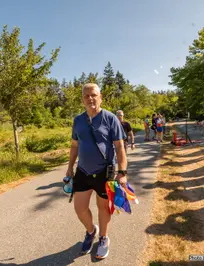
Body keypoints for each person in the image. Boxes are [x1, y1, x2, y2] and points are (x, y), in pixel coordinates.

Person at [66, 83, 128, 259]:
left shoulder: (110, 119)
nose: (90, 98)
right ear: (82, 100)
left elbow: (120, 147)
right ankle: (91, 230)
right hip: (83, 172)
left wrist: (122, 171)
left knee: (103, 208)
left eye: (93, 95)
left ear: (100, 97)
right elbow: (74, 145)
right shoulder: (78, 120)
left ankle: (103, 238)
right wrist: (70, 167)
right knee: (80, 208)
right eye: (86, 96)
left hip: (104, 172)